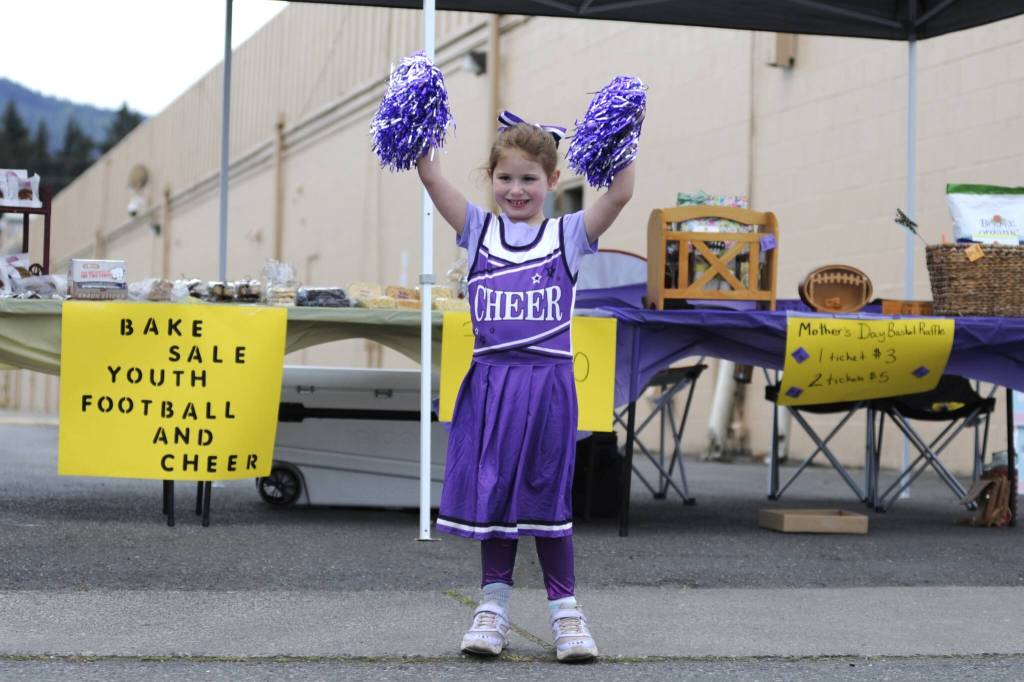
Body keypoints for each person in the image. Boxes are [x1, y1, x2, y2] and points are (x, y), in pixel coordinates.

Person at [417, 113, 635, 662]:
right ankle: (492, 607)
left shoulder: (569, 234)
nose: (516, 190)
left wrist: (622, 132)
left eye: (529, 179)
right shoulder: (477, 230)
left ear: (553, 179)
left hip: (548, 388)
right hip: (491, 383)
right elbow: (429, 176)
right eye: (506, 178)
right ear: (490, 178)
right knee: (493, 494)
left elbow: (623, 193)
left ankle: (567, 613)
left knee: (548, 496)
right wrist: (416, 123)